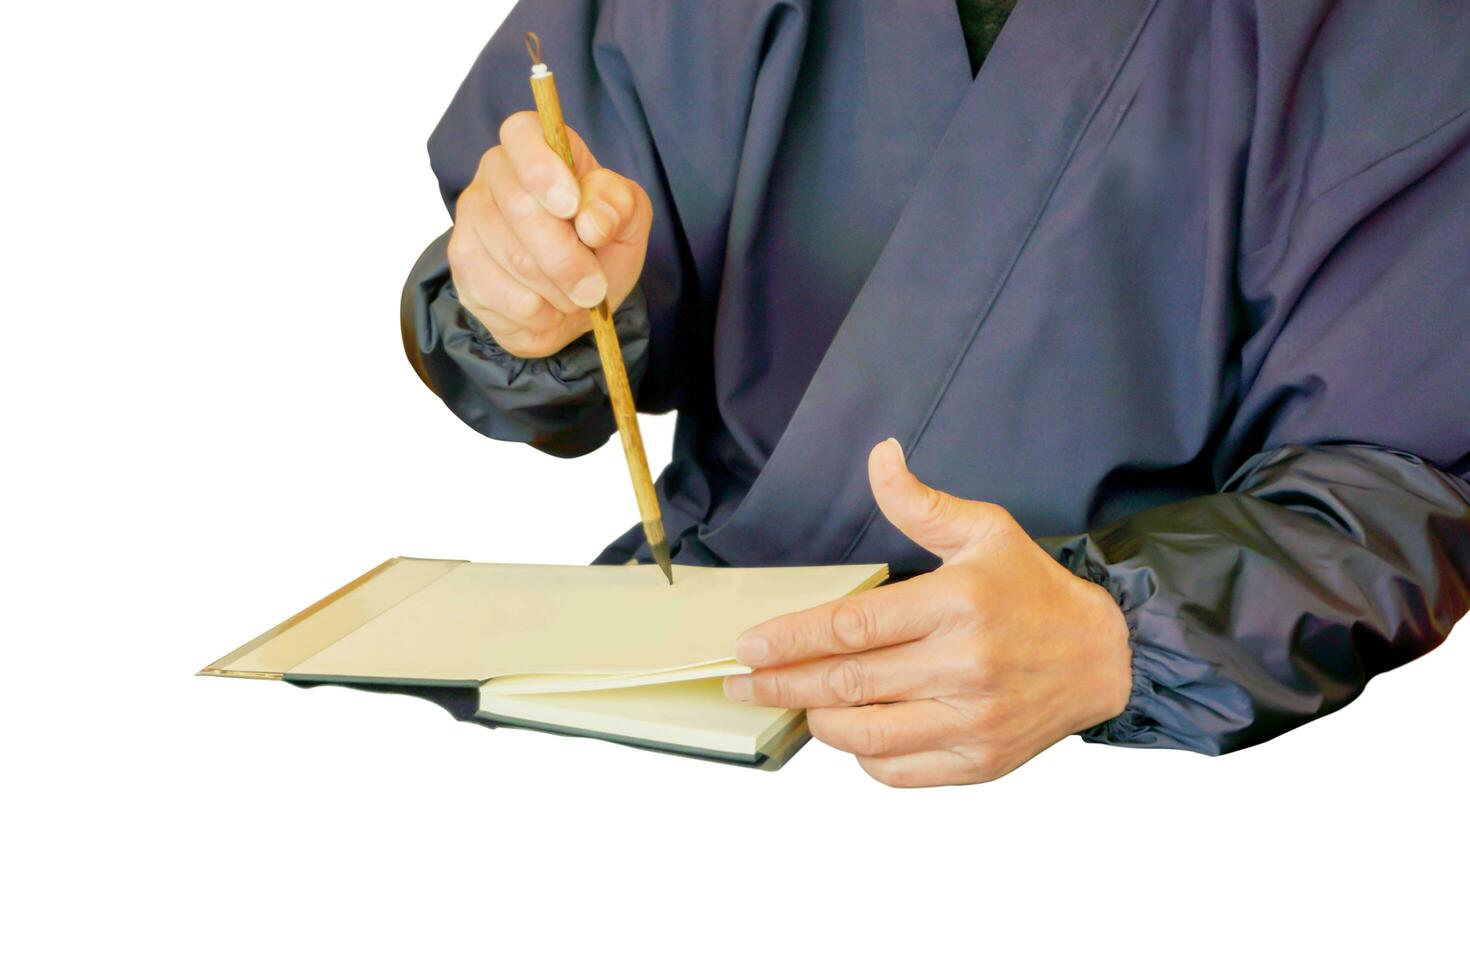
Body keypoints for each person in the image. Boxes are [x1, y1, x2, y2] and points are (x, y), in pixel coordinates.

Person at [401, 0, 1470, 786]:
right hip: (693, 710)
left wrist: (1119, 638)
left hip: (1130, 779)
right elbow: (561, 314)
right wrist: (520, 299)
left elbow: (1399, 479)